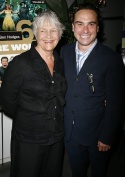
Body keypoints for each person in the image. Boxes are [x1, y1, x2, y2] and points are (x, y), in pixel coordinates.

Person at [60, 3, 125, 177]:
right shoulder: (63, 53)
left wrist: (107, 136)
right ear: (73, 27)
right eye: (80, 23)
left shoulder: (111, 59)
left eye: (91, 24)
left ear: (98, 27)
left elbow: (115, 102)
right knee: (77, 172)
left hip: (98, 134)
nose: (85, 29)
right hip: (71, 134)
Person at [0, 10, 67, 177]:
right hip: (29, 139)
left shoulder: (60, 62)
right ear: (35, 33)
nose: (49, 35)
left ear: (60, 33)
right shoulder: (20, 63)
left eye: (53, 30)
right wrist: (27, 116)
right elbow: (6, 100)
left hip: (56, 137)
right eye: (43, 30)